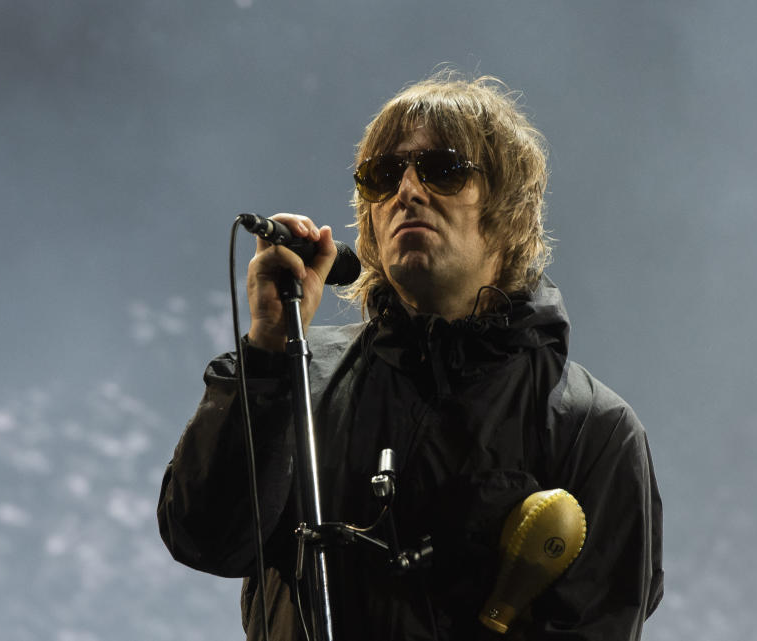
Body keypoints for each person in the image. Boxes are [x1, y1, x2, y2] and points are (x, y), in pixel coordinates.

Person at [158, 72, 663, 640]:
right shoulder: (298, 380)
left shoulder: (592, 430)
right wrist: (270, 348)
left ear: (509, 210)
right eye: (383, 175)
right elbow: (207, 539)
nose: (408, 191)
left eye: (442, 169)